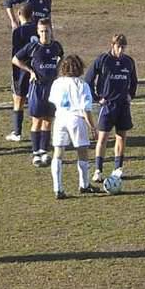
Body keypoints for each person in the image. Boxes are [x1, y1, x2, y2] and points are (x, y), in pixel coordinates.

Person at [85, 34, 138, 182]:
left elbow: (134, 81)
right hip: (107, 106)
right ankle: (98, 170)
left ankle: (118, 168)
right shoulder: (103, 60)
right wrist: (97, 98)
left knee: (121, 136)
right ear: (112, 45)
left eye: (123, 47)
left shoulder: (129, 62)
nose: (121, 50)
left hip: (123, 106)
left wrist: (130, 95)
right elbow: (88, 79)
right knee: (102, 138)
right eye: (118, 46)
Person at [48, 55, 101, 199]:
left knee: (58, 153)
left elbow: (53, 101)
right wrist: (93, 127)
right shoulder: (81, 84)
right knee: (82, 152)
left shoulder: (57, 83)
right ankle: (84, 185)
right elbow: (85, 109)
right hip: (76, 119)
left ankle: (57, 188)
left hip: (60, 119)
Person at [12, 18, 63, 167]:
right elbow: (15, 59)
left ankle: (44, 151)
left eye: (46, 31)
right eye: (41, 31)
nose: (44, 34)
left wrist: (58, 68)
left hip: (52, 89)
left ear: (51, 30)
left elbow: (61, 56)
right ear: (38, 32)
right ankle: (35, 153)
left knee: (48, 121)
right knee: (37, 120)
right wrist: (30, 71)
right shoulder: (33, 47)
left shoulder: (56, 46)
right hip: (37, 88)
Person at [5, 4, 38, 142]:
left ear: (19, 13)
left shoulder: (18, 32)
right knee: (36, 101)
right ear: (32, 15)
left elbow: (16, 56)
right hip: (37, 69)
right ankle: (38, 130)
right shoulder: (38, 28)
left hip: (22, 70)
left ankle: (17, 133)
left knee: (18, 100)